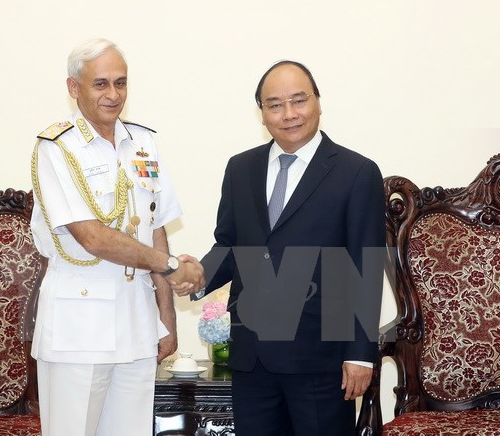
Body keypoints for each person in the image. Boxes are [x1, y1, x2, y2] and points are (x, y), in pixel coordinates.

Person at [180, 60, 385, 435]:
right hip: (252, 357)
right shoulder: (241, 168)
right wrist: (198, 275)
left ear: (318, 102)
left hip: (321, 360)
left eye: (298, 100)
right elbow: (229, 245)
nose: (288, 114)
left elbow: (365, 267)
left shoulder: (357, 172)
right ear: (262, 113)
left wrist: (360, 354)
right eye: (274, 105)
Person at [30, 37, 204, 436]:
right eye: (101, 84)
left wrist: (166, 315)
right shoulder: (56, 148)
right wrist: (173, 267)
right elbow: (92, 237)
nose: (113, 94)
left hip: (137, 320)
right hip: (80, 324)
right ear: (74, 88)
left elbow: (155, 226)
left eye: (120, 83)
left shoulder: (143, 142)